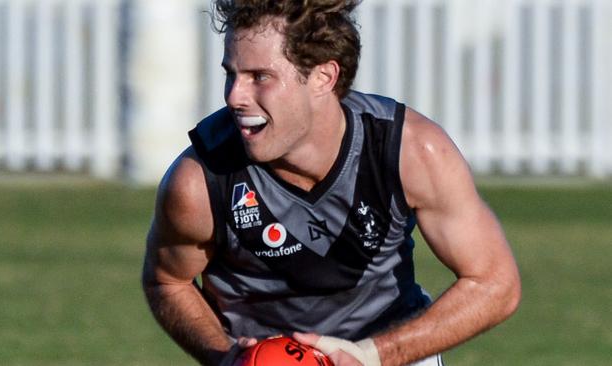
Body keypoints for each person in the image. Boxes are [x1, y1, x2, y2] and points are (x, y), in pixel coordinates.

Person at [142, 1, 521, 365]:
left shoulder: (410, 151)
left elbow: (494, 283)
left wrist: (373, 356)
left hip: (389, 354)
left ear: (324, 77)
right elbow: (168, 282)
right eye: (231, 74)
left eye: (260, 77)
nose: (234, 96)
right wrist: (226, 356)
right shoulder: (200, 181)